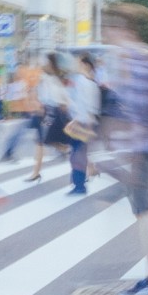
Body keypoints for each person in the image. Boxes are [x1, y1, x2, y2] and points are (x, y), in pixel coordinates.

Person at [100, 4, 148, 295]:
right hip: (147, 143)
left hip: (139, 147)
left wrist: (122, 142)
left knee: (144, 211)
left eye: (109, 30)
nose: (107, 36)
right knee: (144, 210)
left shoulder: (131, 60)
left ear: (122, 31)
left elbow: (135, 108)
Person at [30, 53, 72, 183]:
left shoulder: (55, 80)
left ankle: (83, 162)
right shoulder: (44, 78)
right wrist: (37, 103)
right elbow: (36, 92)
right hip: (45, 112)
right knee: (41, 142)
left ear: (51, 65)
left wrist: (63, 105)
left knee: (44, 141)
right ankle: (36, 172)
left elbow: (62, 98)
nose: (43, 65)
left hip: (52, 113)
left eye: (46, 63)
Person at [65, 54, 102, 195]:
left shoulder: (85, 82)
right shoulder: (89, 82)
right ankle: (80, 181)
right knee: (77, 153)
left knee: (77, 154)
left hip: (82, 122)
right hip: (81, 121)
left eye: (78, 63)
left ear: (86, 65)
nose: (76, 65)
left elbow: (89, 107)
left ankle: (79, 185)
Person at [0, 57, 43, 163]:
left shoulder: (22, 82)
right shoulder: (17, 84)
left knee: (20, 133)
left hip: (25, 111)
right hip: (21, 112)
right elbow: (11, 98)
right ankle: (8, 152)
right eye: (18, 70)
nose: (19, 72)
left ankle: (9, 152)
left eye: (20, 70)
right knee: (19, 133)